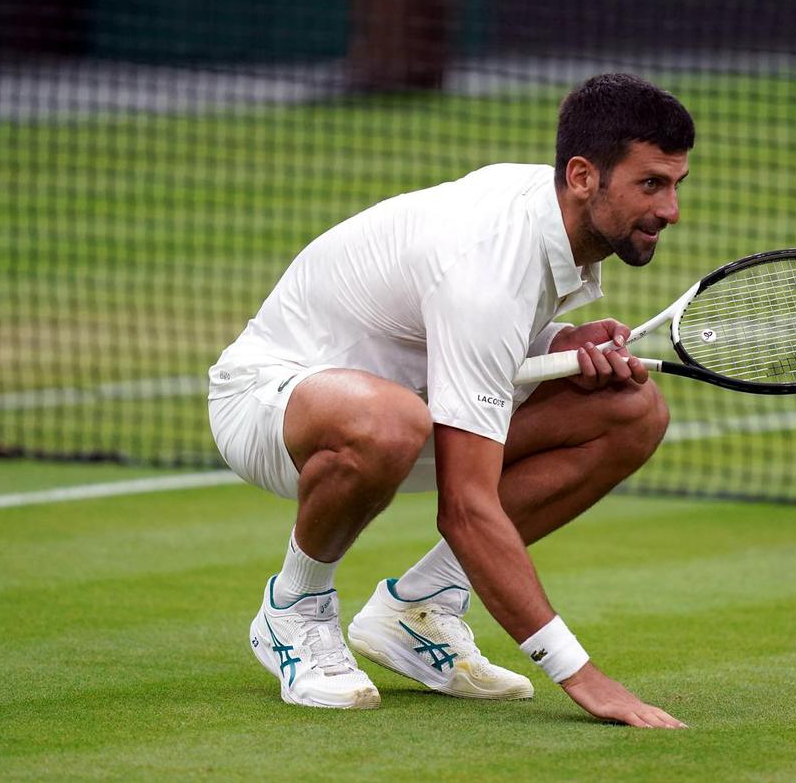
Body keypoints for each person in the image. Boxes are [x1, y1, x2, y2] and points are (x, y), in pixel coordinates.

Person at [207, 73, 693, 729]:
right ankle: (293, 607)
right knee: (389, 423)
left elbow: (467, 335)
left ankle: (420, 609)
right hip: (270, 404)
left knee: (632, 410)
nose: (670, 210)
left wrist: (556, 340)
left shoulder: (547, 215)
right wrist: (582, 676)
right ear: (583, 176)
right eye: (651, 184)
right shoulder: (488, 260)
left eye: (675, 184)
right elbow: (466, 507)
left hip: (402, 409)